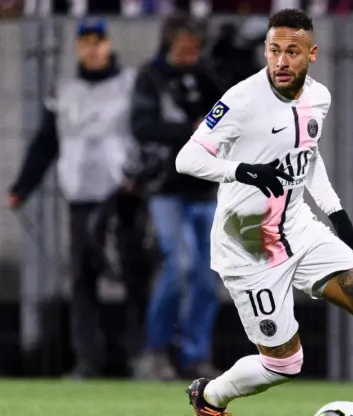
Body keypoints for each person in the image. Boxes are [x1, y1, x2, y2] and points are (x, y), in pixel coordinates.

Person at [174, 9, 353, 416]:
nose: (281, 61)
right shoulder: (241, 100)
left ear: (311, 54)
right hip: (249, 243)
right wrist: (240, 170)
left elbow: (307, 157)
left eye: (291, 51)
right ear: (265, 51)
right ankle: (210, 398)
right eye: (274, 50)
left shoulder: (320, 97)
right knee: (284, 363)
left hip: (298, 227)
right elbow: (186, 158)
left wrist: (337, 214)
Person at [7, 17, 152, 379]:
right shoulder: (64, 90)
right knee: (82, 280)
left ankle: (140, 355)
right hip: (80, 197)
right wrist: (22, 188)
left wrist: (143, 178)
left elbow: (147, 134)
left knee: (134, 275)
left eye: (97, 41)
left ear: (108, 44)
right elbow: (45, 144)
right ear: (78, 47)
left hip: (122, 197)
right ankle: (89, 359)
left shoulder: (129, 85)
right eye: (85, 41)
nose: (91, 48)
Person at [129, 14, 223, 380]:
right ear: (169, 46)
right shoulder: (150, 78)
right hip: (167, 190)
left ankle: (195, 355)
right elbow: (141, 126)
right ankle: (156, 350)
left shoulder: (207, 76)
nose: (189, 56)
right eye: (183, 50)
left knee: (207, 278)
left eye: (194, 50)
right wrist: (191, 130)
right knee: (178, 267)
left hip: (205, 190)